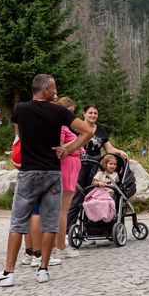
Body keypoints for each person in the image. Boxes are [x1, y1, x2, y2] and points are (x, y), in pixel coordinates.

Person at [0, 74, 94, 287]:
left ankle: (9, 272)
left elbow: (20, 134)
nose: (56, 91)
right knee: (50, 223)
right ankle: (43, 269)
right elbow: (88, 131)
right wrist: (68, 149)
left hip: (28, 172)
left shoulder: (20, 109)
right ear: (45, 89)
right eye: (53, 87)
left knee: (18, 223)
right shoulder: (59, 111)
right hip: (53, 173)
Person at [67, 104, 127, 224]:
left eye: (95, 113)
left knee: (93, 195)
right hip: (80, 164)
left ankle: (90, 226)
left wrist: (120, 152)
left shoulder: (101, 131)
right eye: (90, 113)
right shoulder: (77, 127)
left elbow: (109, 149)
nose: (93, 115)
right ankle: (69, 228)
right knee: (77, 196)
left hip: (95, 166)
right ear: (84, 114)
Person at [53, 96, 81, 260]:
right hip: (67, 165)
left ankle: (56, 245)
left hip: (71, 165)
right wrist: (75, 145)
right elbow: (59, 147)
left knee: (61, 209)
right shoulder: (62, 126)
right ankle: (60, 247)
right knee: (63, 210)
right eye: (69, 112)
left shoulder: (63, 126)